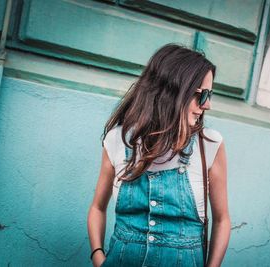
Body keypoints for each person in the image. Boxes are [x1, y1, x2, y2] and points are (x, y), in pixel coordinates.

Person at [87, 44, 230, 267]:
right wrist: (98, 257)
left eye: (209, 95)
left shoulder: (209, 145)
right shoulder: (118, 140)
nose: (207, 105)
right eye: (201, 95)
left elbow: (222, 220)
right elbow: (97, 207)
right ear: (172, 91)